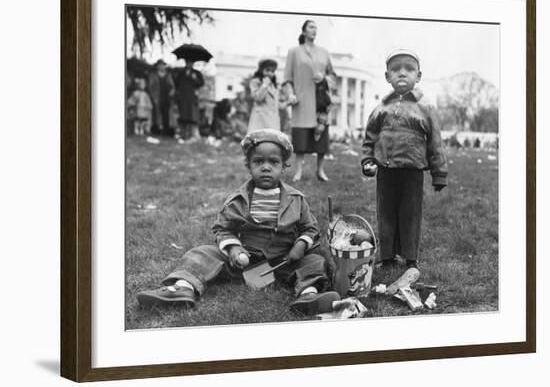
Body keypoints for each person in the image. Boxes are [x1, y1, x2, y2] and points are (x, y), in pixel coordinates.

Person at [137, 128, 340, 315]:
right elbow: (222, 229)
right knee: (201, 253)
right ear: (248, 167)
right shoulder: (239, 199)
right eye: (259, 162)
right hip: (245, 261)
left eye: (273, 162)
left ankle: (309, 293)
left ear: (284, 166)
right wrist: (234, 249)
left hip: (285, 261)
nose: (266, 168)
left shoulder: (296, 199)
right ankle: (183, 288)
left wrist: (301, 244)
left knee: (315, 260)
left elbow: (310, 227)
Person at [361, 49, 448, 269]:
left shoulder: (425, 107)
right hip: (386, 172)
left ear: (418, 76)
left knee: (410, 215)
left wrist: (439, 174)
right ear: (387, 76)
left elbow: (435, 141)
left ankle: (411, 260)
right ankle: (387, 257)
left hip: (412, 172)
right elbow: (369, 138)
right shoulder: (381, 108)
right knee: (386, 214)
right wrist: (367, 161)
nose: (402, 73)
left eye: (409, 69)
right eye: (396, 69)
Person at [283, 20, 336, 182]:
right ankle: (298, 171)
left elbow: (333, 76)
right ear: (304, 31)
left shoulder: (324, 52)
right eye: (311, 27)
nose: (314, 30)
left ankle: (320, 171)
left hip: (320, 102)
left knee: (321, 137)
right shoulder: (294, 52)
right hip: (302, 100)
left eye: (316, 27)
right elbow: (287, 78)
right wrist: (290, 94)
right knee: (301, 138)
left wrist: (324, 78)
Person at [248, 58, 297, 132]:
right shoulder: (255, 82)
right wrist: (264, 85)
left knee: (272, 142)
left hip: (273, 123)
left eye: (272, 71)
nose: (270, 73)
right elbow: (258, 98)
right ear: (261, 70)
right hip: (260, 122)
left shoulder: (274, 86)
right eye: (267, 70)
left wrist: (288, 103)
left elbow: (278, 105)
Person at [175, 59, 204, 140]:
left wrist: (194, 78)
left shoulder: (196, 73)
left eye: (191, 62)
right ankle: (182, 134)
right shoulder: (181, 72)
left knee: (192, 116)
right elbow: (176, 83)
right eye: (188, 62)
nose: (189, 64)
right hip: (183, 97)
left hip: (192, 97)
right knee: (183, 116)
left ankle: (192, 134)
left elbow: (201, 83)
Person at [147, 59, 175, 135]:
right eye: (160, 65)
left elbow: (172, 86)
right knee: (156, 114)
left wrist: (172, 91)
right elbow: (150, 86)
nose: (162, 66)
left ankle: (166, 130)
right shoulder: (153, 75)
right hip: (157, 97)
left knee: (166, 114)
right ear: (157, 66)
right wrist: (153, 96)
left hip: (167, 97)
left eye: (163, 65)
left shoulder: (168, 75)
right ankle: (156, 130)